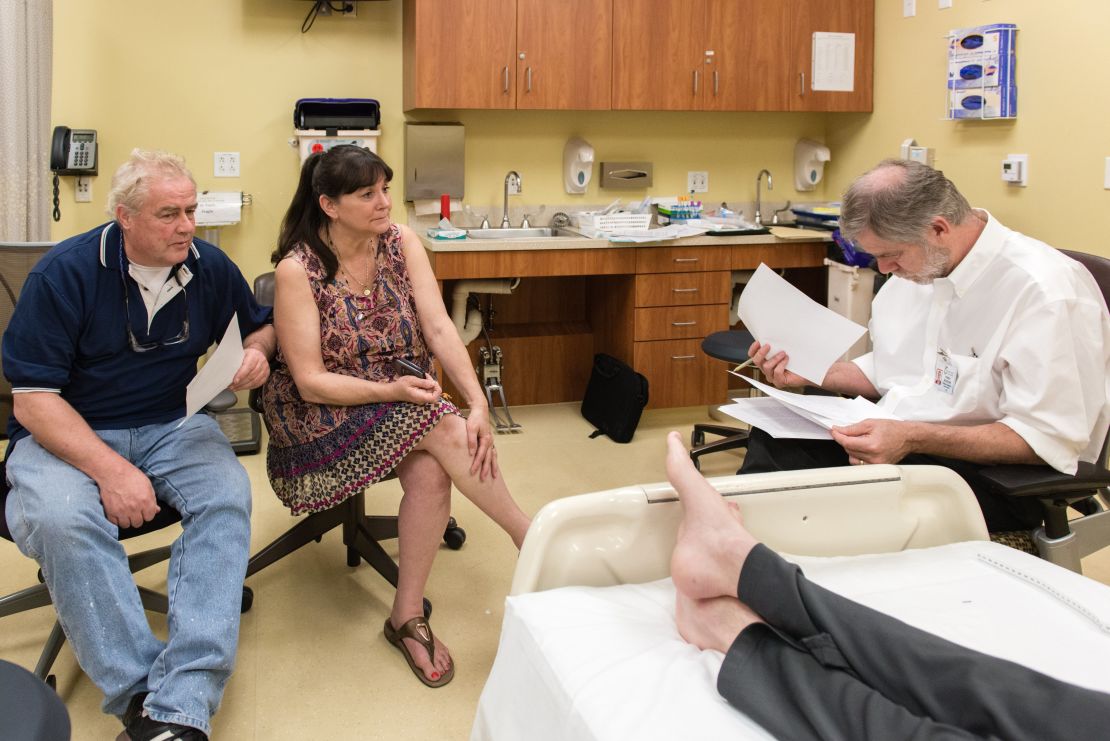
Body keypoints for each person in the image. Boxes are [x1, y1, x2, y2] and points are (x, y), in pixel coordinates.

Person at [2, 150, 275, 740]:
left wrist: (257, 351)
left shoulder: (208, 266)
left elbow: (259, 321)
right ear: (124, 218)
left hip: (170, 423)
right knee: (59, 516)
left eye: (191, 211)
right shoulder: (64, 274)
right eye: (168, 214)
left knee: (227, 494)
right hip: (68, 429)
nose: (186, 227)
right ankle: (143, 698)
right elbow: (34, 400)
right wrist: (110, 470)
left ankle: (183, 702)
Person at [263, 145, 531, 688]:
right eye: (368, 194)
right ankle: (530, 536)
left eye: (385, 189)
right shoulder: (299, 270)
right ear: (329, 205)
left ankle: (405, 618)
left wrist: (478, 403)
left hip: (399, 393)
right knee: (436, 421)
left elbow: (437, 329)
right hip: (318, 413)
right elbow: (311, 380)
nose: (385, 202)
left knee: (433, 463)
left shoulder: (401, 242)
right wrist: (392, 390)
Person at [666, 430, 1110, 740]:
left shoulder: (1052, 302)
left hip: (987, 471)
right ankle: (745, 569)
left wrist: (912, 433)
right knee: (988, 687)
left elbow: (1053, 436)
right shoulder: (936, 295)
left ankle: (741, 624)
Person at [743, 159, 1110, 533]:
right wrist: (820, 372)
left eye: (891, 255)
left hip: (998, 479)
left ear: (938, 229)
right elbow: (900, 371)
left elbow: (1046, 438)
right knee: (776, 440)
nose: (884, 269)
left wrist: (912, 437)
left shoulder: (1045, 293)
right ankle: (738, 560)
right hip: (911, 443)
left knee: (816, 509)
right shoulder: (921, 270)